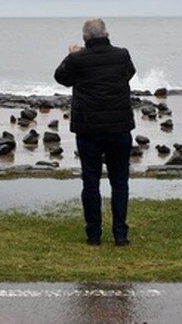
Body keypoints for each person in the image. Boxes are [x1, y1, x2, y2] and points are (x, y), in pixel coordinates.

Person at [54, 18, 136, 247]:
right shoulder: (122, 55)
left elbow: (61, 78)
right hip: (119, 126)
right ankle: (120, 233)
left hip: (88, 128)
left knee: (90, 181)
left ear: (85, 38)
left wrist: (71, 55)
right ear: (106, 34)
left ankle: (93, 234)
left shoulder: (77, 59)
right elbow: (129, 74)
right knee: (120, 181)